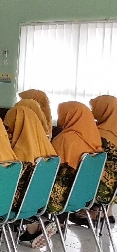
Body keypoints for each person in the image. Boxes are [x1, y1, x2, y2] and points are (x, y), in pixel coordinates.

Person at [3, 105, 59, 247]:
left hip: (21, 201)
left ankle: (33, 225)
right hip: (40, 199)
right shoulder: (46, 145)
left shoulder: (20, 151)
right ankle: (38, 222)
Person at [48, 102, 103, 217]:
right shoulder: (93, 138)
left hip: (62, 197)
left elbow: (52, 166)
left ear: (69, 116)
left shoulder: (66, 139)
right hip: (83, 195)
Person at [83, 95, 117, 224]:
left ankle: (95, 214)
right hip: (113, 189)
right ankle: (107, 213)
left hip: (100, 186)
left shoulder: (101, 134)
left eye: (95, 108)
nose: (93, 112)